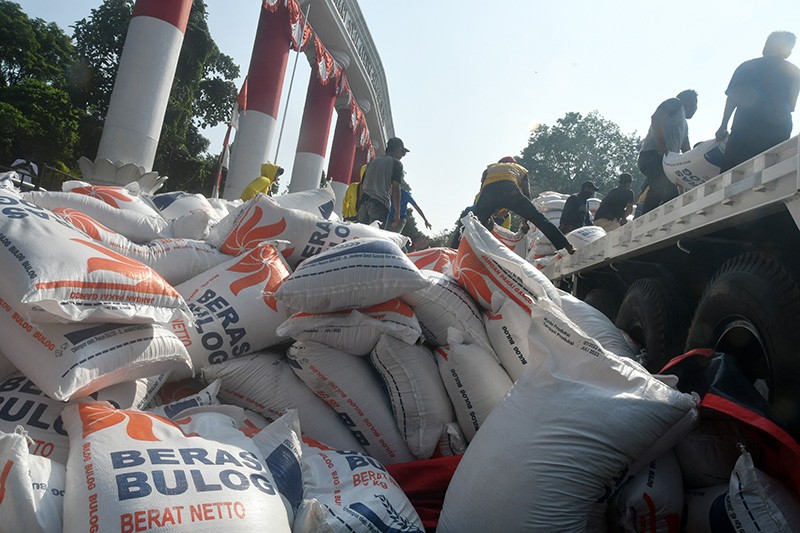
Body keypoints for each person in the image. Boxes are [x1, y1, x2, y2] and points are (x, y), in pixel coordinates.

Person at [716, 31, 800, 172]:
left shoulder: (748, 66)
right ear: (788, 52)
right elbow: (790, 106)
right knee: (772, 173)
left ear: (766, 46)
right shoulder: (795, 72)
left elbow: (733, 98)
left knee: (733, 174)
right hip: (779, 129)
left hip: (746, 127)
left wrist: (723, 126)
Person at [457, 156, 574, 254]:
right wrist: (526, 219)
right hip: (510, 190)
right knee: (539, 219)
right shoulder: (520, 169)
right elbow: (526, 194)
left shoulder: (490, 168)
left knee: (472, 224)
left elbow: (483, 190)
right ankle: (566, 246)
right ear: (513, 163)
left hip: (488, 192)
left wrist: (489, 213)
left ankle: (458, 251)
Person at [638, 89, 698, 215]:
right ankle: (645, 219)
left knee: (672, 193)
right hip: (654, 154)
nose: (696, 108)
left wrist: (695, 164)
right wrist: (661, 142)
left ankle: (659, 219)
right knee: (662, 188)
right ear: (688, 101)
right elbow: (656, 117)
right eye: (695, 104)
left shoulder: (684, 125)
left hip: (666, 159)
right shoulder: (675, 103)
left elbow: (686, 148)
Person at [358, 137, 408, 229]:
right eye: (403, 153)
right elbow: (396, 188)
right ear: (398, 150)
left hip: (364, 203)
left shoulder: (372, 163)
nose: (402, 156)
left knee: (361, 237)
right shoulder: (396, 164)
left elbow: (361, 185)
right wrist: (397, 213)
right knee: (374, 239)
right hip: (379, 204)